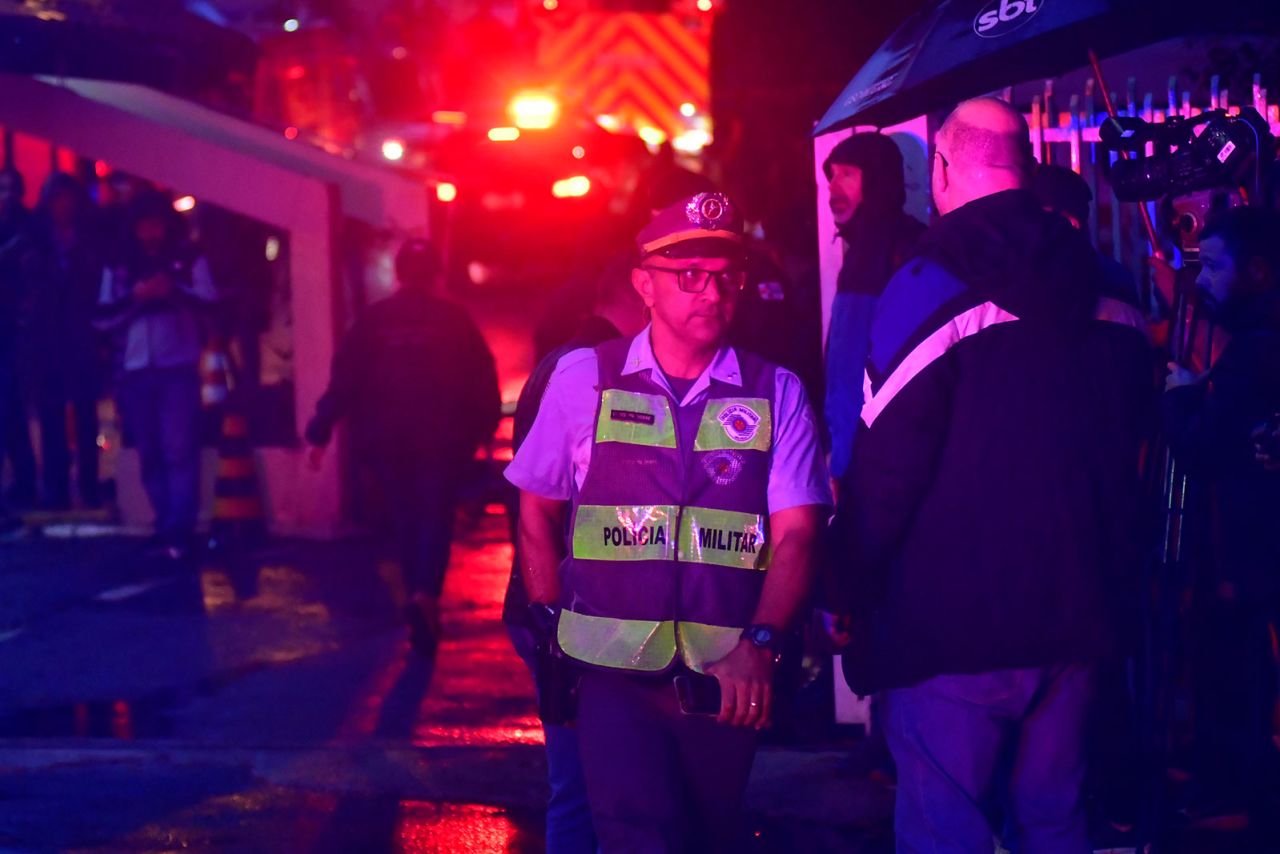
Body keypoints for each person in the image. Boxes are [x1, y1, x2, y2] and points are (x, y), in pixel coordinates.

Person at [830, 98, 1153, 851]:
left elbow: (888, 470)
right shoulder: (1111, 282)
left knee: (949, 827)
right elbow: (1138, 433)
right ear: (1028, 167)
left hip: (951, 624)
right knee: (1057, 818)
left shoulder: (927, 283)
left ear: (942, 168)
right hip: (1079, 615)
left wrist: (845, 584)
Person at [507, 191, 830, 851]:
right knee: (637, 836)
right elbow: (535, 507)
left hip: (727, 679)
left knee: (706, 837)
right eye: (689, 277)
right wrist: (547, 623)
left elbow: (798, 532)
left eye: (724, 277)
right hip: (610, 678)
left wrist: (760, 647)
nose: (710, 293)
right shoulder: (582, 380)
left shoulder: (778, 393)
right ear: (643, 286)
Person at [502, 255, 647, 854]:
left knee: (579, 786)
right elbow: (545, 508)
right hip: (567, 609)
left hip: (549, 606)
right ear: (640, 300)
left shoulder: (557, 361)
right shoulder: (588, 371)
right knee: (585, 790)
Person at [305, 239, 500, 656]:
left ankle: (415, 590)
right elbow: (482, 379)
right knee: (434, 517)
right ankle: (425, 593)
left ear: (398, 274)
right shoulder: (454, 319)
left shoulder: (374, 321)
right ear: (435, 273)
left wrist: (319, 431)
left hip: (386, 439)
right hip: (442, 439)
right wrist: (484, 431)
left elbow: (345, 380)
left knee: (404, 518)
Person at [1163, 207, 1280, 832]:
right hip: (1255, 550)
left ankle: (1241, 797)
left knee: (1241, 673)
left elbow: (1206, 450)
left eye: (1212, 267)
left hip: (1252, 553)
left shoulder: (1255, 354)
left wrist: (1181, 395)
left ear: (1257, 272)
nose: (1200, 281)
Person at [96, 191, 219, 559]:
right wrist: (138, 297)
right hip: (135, 369)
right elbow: (101, 317)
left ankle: (178, 526)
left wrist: (173, 291)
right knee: (150, 450)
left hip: (177, 366)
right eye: (143, 225)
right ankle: (165, 520)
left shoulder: (187, 258)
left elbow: (210, 305)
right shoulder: (118, 264)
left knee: (179, 448)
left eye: (155, 224)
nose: (150, 233)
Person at [822, 133, 926, 481]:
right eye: (831, 175)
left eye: (848, 174)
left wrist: (841, 465)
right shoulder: (911, 241)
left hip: (876, 462)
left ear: (877, 179)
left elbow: (848, 375)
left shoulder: (875, 257)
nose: (834, 188)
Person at [26, 173, 107, 509]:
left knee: (86, 415)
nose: (63, 205)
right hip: (49, 339)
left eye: (66, 197)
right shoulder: (37, 243)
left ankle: (88, 485)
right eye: (57, 198)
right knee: (52, 415)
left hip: (80, 336)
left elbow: (95, 284)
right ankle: (56, 487)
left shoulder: (88, 241)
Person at [1032, 163, 1142, 307]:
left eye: (1037, 214)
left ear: (1070, 222)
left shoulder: (1110, 284)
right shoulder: (1117, 277)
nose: (1029, 223)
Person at [0, 168, 37, 509]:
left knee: (11, 410)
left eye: (11, 188)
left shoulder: (26, 228)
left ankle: (25, 483)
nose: (6, 196)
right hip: (8, 329)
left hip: (15, 331)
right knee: (9, 411)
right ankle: (24, 483)